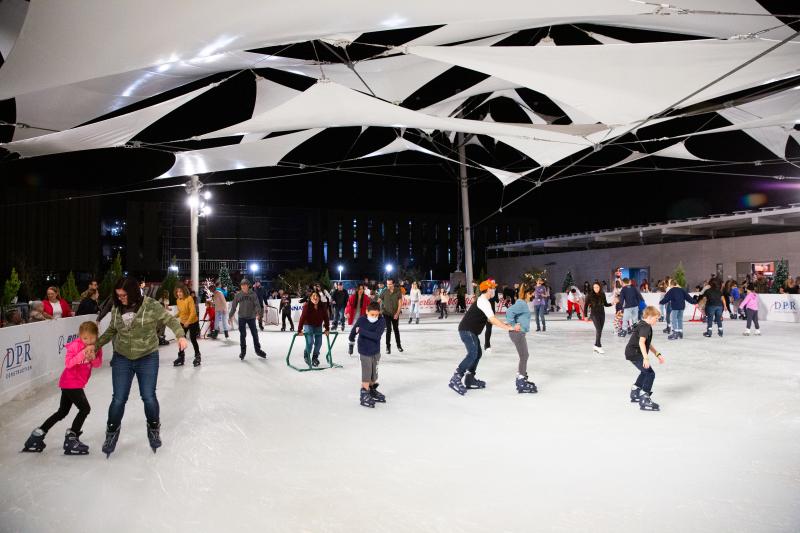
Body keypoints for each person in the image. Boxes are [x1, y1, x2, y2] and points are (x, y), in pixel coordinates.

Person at [86, 277, 187, 457]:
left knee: (148, 396)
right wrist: (96, 346)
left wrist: (180, 335)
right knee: (118, 398)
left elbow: (170, 320)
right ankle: (111, 432)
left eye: (124, 295)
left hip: (147, 357)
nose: (121, 298)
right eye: (118, 295)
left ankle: (153, 427)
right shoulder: (117, 307)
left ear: (133, 292)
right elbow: (111, 330)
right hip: (122, 357)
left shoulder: (151, 305)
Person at [22, 321, 103, 454]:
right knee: (85, 409)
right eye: (85, 338)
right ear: (80, 336)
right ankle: (72, 437)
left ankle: (37, 435)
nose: (88, 341)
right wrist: (82, 354)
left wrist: (93, 357)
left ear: (96, 336)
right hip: (70, 382)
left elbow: (98, 364)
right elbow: (69, 363)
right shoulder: (75, 346)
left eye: (92, 338)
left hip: (75, 383)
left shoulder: (96, 347)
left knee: (62, 412)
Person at [448, 279, 519, 395]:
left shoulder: (484, 301)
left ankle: (470, 379)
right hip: (467, 330)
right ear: (488, 289)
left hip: (470, 331)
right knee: (472, 354)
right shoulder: (483, 301)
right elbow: (492, 320)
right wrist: (508, 328)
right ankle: (456, 378)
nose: (494, 290)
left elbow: (491, 319)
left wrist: (507, 325)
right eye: (493, 288)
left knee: (477, 353)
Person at [625, 306, 665, 411]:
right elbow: (641, 342)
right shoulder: (646, 326)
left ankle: (635, 392)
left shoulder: (642, 324)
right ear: (650, 317)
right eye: (656, 318)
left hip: (631, 352)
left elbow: (647, 343)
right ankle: (644, 398)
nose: (657, 320)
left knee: (644, 372)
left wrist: (657, 354)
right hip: (635, 353)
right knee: (650, 373)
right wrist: (646, 358)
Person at [348, 302, 387, 408]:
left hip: (375, 351)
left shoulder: (381, 321)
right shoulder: (361, 320)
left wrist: (361, 331)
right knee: (367, 372)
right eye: (372, 314)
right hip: (364, 351)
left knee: (374, 374)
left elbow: (376, 336)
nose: (374, 317)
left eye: (376, 315)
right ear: (367, 312)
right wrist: (351, 343)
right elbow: (352, 333)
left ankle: (371, 390)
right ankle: (364, 393)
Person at [504, 284, 537, 393]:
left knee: (524, 355)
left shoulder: (522, 303)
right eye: (533, 293)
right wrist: (513, 324)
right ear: (528, 294)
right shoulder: (522, 304)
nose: (534, 295)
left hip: (519, 333)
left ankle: (521, 376)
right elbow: (509, 312)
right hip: (517, 333)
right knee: (524, 356)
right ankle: (521, 380)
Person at [229, 278, 266, 360]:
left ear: (248, 286)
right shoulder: (238, 295)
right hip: (242, 317)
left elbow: (257, 305)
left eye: (245, 285)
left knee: (255, 334)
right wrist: (230, 316)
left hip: (251, 317)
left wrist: (258, 313)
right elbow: (234, 307)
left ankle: (258, 350)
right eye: (242, 285)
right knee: (242, 335)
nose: (243, 287)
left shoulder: (253, 294)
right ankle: (243, 352)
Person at [296, 291, 330, 367]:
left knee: (319, 342)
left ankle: (315, 357)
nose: (315, 297)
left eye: (317, 296)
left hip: (318, 325)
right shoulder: (307, 306)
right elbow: (302, 318)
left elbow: (326, 318)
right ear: (310, 298)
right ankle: (306, 355)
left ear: (319, 298)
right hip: (308, 324)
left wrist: (327, 329)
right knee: (310, 341)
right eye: (313, 296)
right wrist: (299, 330)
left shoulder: (322, 306)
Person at [173, 285, 201, 367]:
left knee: (193, 339)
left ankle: (197, 356)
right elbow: (181, 312)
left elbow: (193, 312)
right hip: (183, 322)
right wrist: (174, 316)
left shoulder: (189, 298)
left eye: (180, 291)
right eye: (177, 292)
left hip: (192, 322)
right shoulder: (178, 300)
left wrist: (188, 322)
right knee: (181, 339)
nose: (179, 293)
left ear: (184, 291)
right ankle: (181, 357)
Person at [584, 282, 613, 354]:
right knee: (598, 329)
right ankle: (599, 346)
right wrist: (585, 316)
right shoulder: (590, 295)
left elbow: (605, 304)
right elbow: (585, 306)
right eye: (594, 287)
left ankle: (595, 345)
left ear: (600, 287)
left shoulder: (602, 294)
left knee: (600, 331)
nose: (596, 289)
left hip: (602, 314)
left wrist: (612, 303)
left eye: (597, 287)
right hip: (594, 314)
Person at [380, 278, 404, 354]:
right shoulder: (384, 291)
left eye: (390, 284)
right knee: (389, 329)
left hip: (395, 313)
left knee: (396, 329)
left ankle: (399, 345)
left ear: (393, 284)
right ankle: (388, 347)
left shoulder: (398, 291)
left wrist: (397, 313)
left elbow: (400, 303)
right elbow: (379, 300)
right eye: (387, 284)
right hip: (386, 313)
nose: (388, 285)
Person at [484, 287, 499, 352]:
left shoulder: (495, 291)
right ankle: (486, 344)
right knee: (479, 328)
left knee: (489, 329)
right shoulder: (485, 292)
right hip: (485, 311)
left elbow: (497, 301)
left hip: (491, 313)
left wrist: (495, 293)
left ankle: (487, 344)